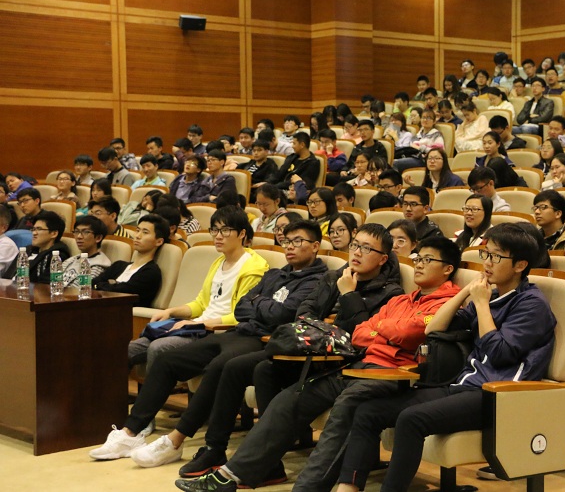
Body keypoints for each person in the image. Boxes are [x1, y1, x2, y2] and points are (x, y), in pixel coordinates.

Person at [171, 227, 416, 491]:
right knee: (270, 378)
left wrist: (348, 295)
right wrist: (324, 328)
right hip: (317, 357)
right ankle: (231, 474)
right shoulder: (334, 277)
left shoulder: (390, 294)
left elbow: (363, 337)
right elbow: (304, 312)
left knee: (264, 372)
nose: (356, 252)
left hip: (352, 367)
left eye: (366, 248)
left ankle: (260, 470)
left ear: (382, 258)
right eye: (355, 245)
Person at [330, 224, 555, 492]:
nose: (487, 263)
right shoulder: (491, 295)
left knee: (411, 419)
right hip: (464, 385)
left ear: (520, 265)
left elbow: (499, 353)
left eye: (496, 256)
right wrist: (465, 292)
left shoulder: (531, 304)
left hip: (500, 394)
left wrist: (481, 304)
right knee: (368, 412)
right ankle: (348, 488)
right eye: (486, 254)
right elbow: (434, 329)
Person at [117, 221, 328, 469]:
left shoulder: (319, 280)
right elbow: (241, 307)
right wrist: (262, 305)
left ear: (315, 246)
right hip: (239, 331)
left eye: (297, 241)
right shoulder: (274, 274)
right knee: (167, 358)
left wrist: (258, 302)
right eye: (287, 241)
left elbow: (283, 315)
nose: (290, 247)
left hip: (266, 340)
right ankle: (131, 431)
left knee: (221, 366)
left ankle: (178, 440)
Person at [122, 207, 268, 378]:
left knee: (158, 347)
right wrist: (170, 311)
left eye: (225, 230)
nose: (218, 236)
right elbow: (200, 304)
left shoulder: (253, 268)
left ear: (242, 233)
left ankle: (153, 392)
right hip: (198, 326)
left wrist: (199, 324)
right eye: (215, 230)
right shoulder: (218, 262)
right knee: (129, 349)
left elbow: (241, 316)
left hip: (217, 332)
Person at [26, 210, 69, 283]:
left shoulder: (57, 257)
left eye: (39, 229)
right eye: (33, 229)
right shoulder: (27, 250)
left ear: (54, 233)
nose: (34, 233)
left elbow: (44, 285)